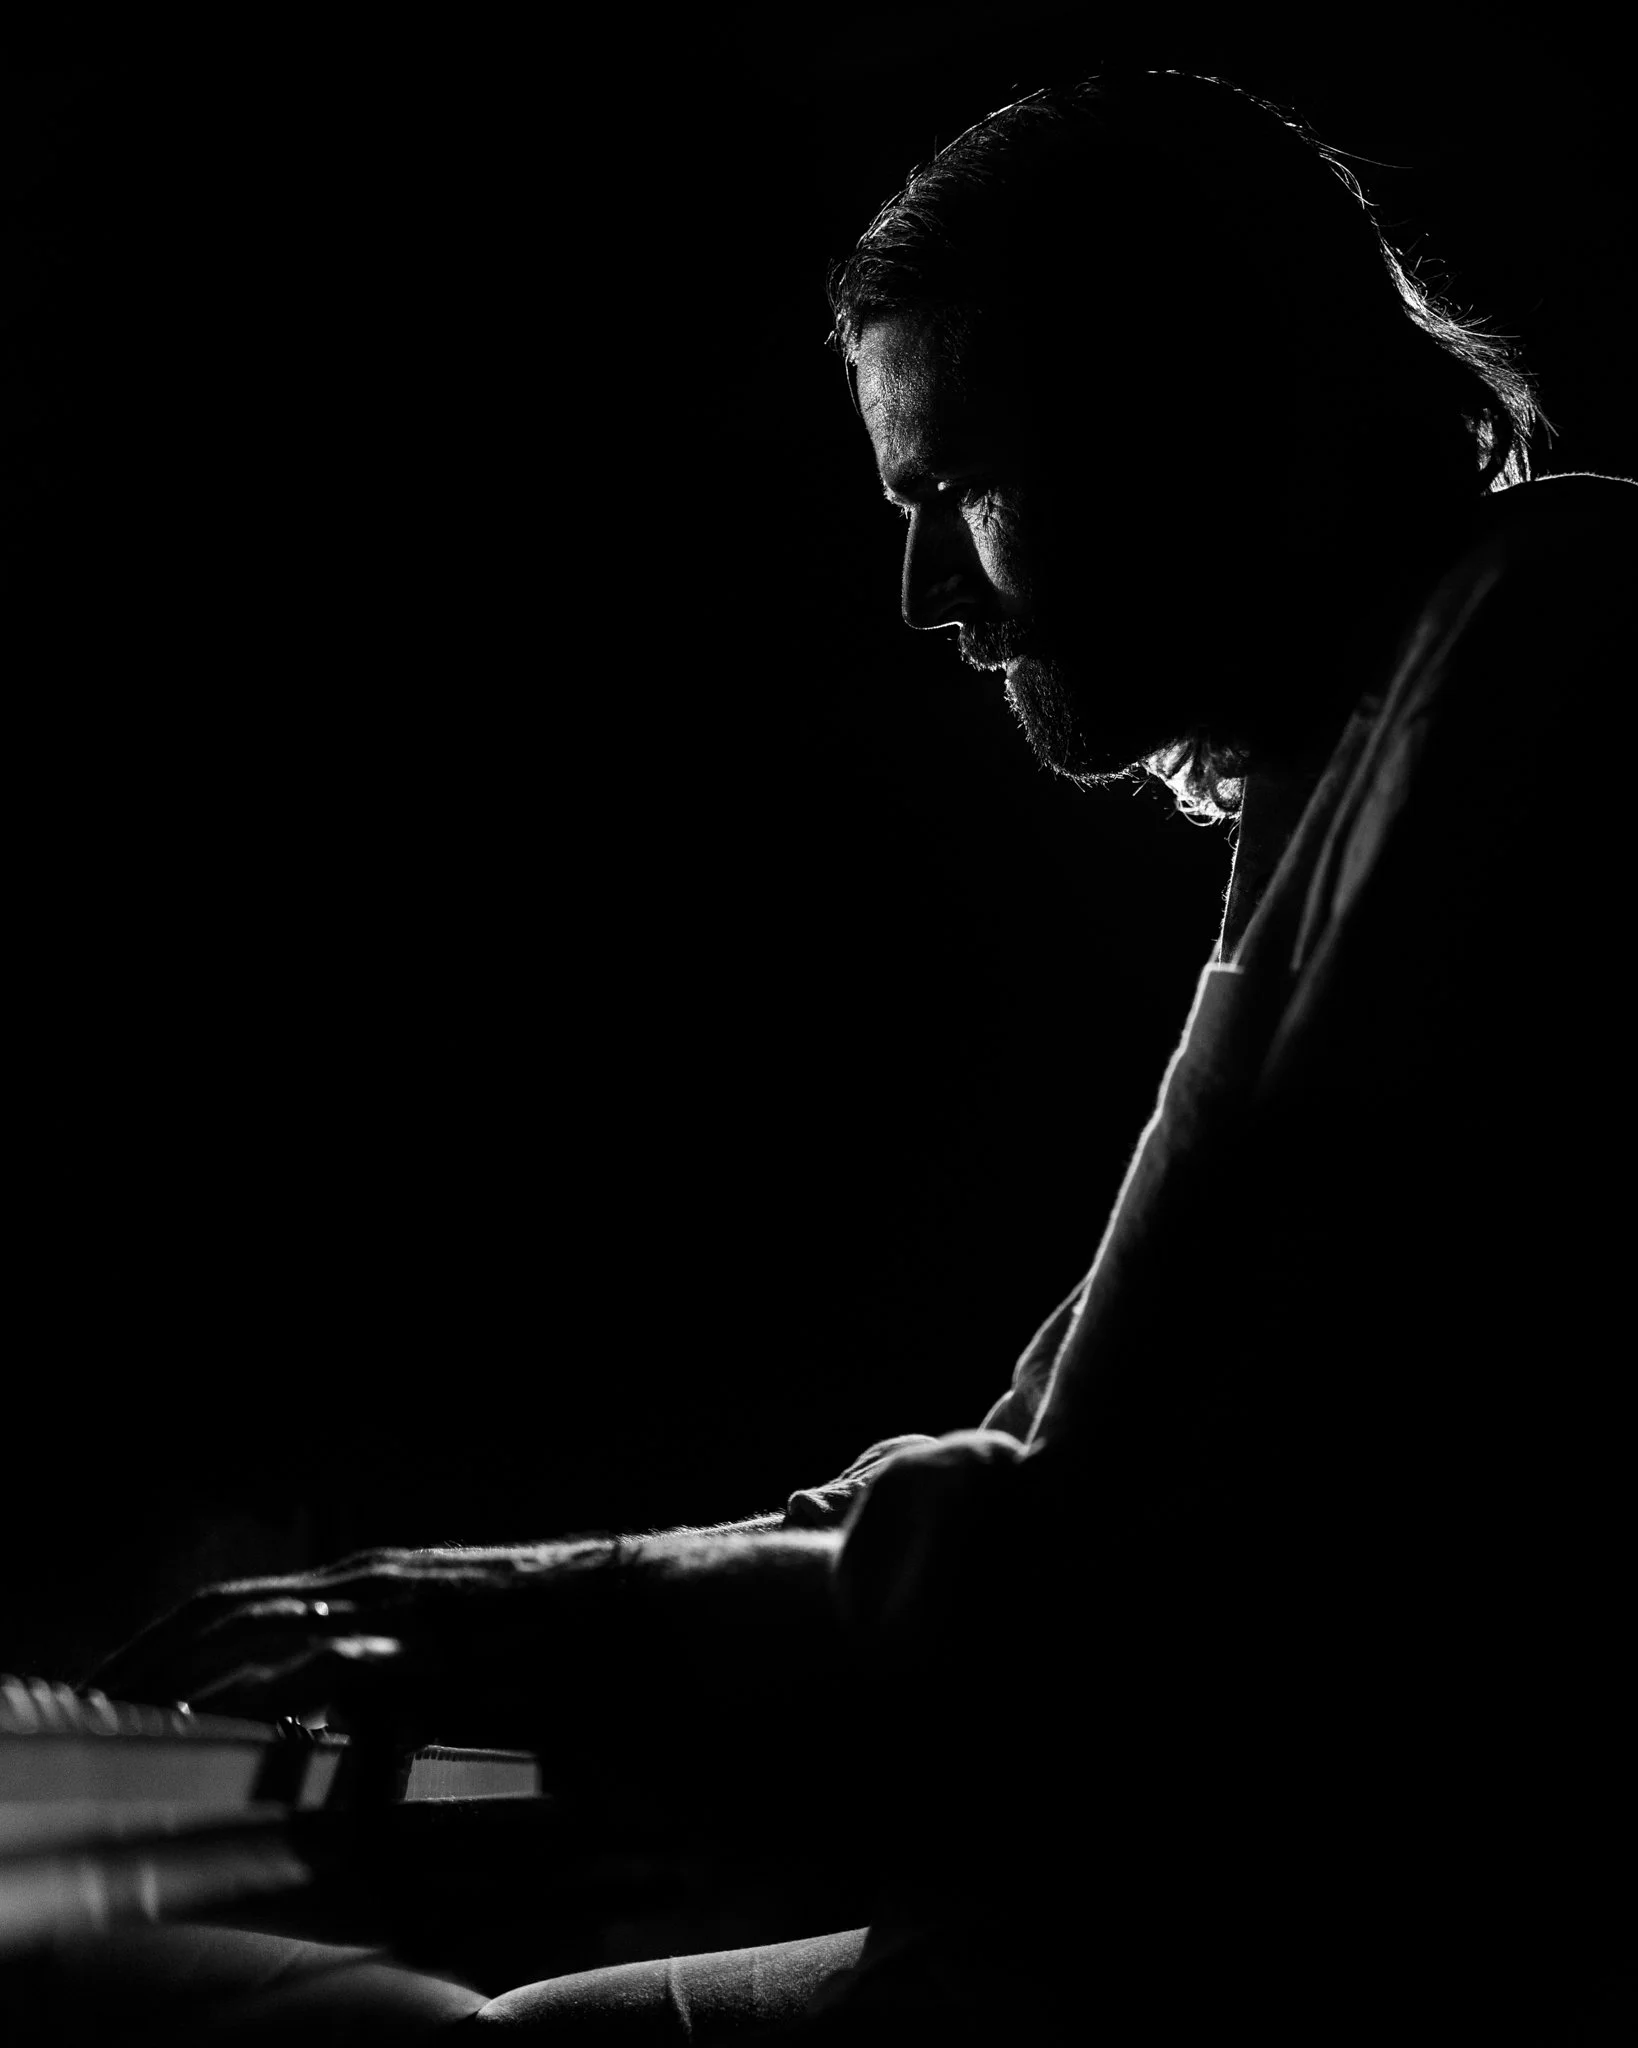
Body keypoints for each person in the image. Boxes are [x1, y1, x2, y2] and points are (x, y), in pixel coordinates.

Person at [14, 66, 1637, 2043]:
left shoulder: (1537, 638)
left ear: (1196, 412)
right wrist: (475, 1622)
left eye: (961, 487)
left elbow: (1103, 1564)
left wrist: (522, 1621)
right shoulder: (1363, 762)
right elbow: (1057, 1451)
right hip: (1120, 1930)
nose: (924, 592)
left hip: (1271, 1969)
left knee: (121, 1987)